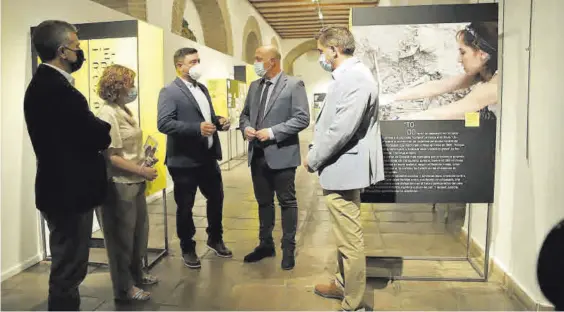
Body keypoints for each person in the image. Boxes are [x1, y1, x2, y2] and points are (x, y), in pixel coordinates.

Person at [24, 20, 111, 311]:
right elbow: (94, 133)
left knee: (69, 264)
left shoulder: (47, 86)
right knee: (69, 268)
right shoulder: (57, 90)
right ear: (63, 51)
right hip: (69, 193)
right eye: (76, 47)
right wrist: (103, 127)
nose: (79, 52)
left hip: (61, 190)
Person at [304, 26, 385, 311]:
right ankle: (342, 284)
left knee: (350, 240)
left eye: (320, 51)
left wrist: (312, 158)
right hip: (341, 167)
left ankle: (353, 303)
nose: (320, 57)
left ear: (334, 50)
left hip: (344, 167)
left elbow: (341, 130)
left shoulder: (356, 79)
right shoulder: (350, 76)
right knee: (344, 234)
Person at [157, 47, 232, 269]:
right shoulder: (169, 92)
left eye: (198, 60)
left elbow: (206, 117)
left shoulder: (202, 89)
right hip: (184, 161)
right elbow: (164, 123)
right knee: (185, 206)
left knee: (216, 199)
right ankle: (187, 247)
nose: (197, 65)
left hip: (208, 158)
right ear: (180, 66)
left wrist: (219, 122)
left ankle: (214, 238)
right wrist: (196, 128)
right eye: (193, 62)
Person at [239, 45, 310, 270]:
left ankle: (288, 248)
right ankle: (265, 244)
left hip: (282, 154)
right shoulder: (254, 86)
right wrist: (247, 128)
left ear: (273, 61)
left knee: (287, 202)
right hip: (257, 155)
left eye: (259, 59)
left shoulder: (293, 84)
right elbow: (244, 116)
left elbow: (302, 119)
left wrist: (272, 132)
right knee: (263, 203)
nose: (255, 62)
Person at [95, 64, 159, 302]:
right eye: (130, 83)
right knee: (120, 241)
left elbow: (129, 147)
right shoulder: (108, 114)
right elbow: (111, 157)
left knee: (138, 235)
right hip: (120, 185)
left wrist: (144, 158)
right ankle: (124, 287)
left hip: (135, 183)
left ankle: (137, 274)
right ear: (119, 86)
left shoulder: (124, 110)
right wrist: (141, 170)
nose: (134, 88)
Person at [386, 22, 498, 120]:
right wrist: (392, 97)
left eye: (463, 53)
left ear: (482, 54)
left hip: (497, 130)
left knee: (459, 119)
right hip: (485, 118)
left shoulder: (495, 85)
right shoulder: (483, 69)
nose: (459, 60)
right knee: (462, 119)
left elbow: (457, 109)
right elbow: (441, 86)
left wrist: (406, 119)